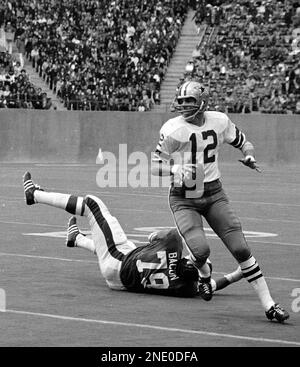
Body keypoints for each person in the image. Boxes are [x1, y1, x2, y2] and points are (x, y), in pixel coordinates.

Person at [151, 80, 289, 323]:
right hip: (185, 197)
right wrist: (175, 169)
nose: (183, 106)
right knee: (201, 251)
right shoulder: (172, 128)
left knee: (241, 248)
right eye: (181, 102)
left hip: (214, 194)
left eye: (189, 102)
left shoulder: (219, 120)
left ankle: (269, 305)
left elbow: (244, 141)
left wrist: (249, 155)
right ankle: (204, 276)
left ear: (202, 102)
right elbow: (154, 166)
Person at [23, 171, 213, 298]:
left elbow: (151, 238)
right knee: (125, 247)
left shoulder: (174, 242)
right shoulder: (188, 289)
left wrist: (237, 273)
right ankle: (77, 239)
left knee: (93, 204)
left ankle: (34, 195)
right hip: (122, 283)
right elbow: (211, 286)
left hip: (120, 263)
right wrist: (237, 274)